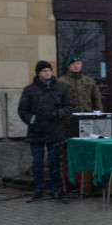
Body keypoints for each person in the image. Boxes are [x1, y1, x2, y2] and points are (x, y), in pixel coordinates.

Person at [18, 60, 75, 200]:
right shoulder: (29, 90)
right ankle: (38, 189)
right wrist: (33, 121)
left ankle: (54, 188)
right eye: (44, 71)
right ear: (38, 73)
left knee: (54, 161)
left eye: (49, 70)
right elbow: (22, 110)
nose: (47, 73)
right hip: (36, 131)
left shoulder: (60, 88)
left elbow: (69, 106)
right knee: (37, 161)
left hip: (54, 130)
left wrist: (57, 114)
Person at [57, 55, 104, 191]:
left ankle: (88, 182)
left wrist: (98, 115)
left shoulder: (89, 81)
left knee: (87, 151)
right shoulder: (62, 82)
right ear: (68, 66)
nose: (76, 66)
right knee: (68, 153)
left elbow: (97, 100)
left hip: (87, 123)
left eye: (78, 63)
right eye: (73, 64)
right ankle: (70, 183)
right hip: (68, 123)